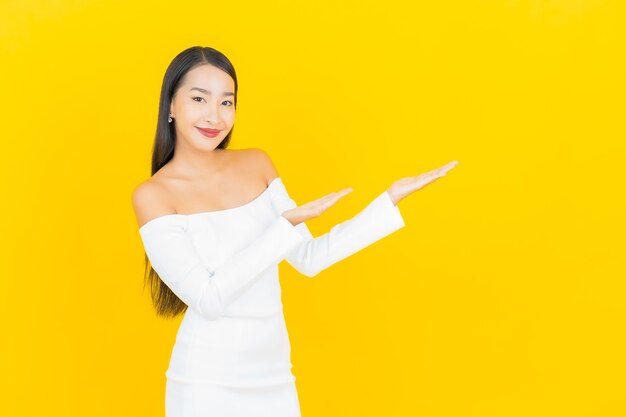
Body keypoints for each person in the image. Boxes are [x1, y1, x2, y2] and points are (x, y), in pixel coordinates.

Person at [132, 45, 458, 417]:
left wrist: (388, 202)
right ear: (171, 106)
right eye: (198, 99)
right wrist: (282, 228)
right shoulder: (154, 195)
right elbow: (208, 298)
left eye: (226, 102)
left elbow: (309, 258)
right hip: (206, 383)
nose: (214, 116)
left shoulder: (256, 163)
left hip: (274, 377)